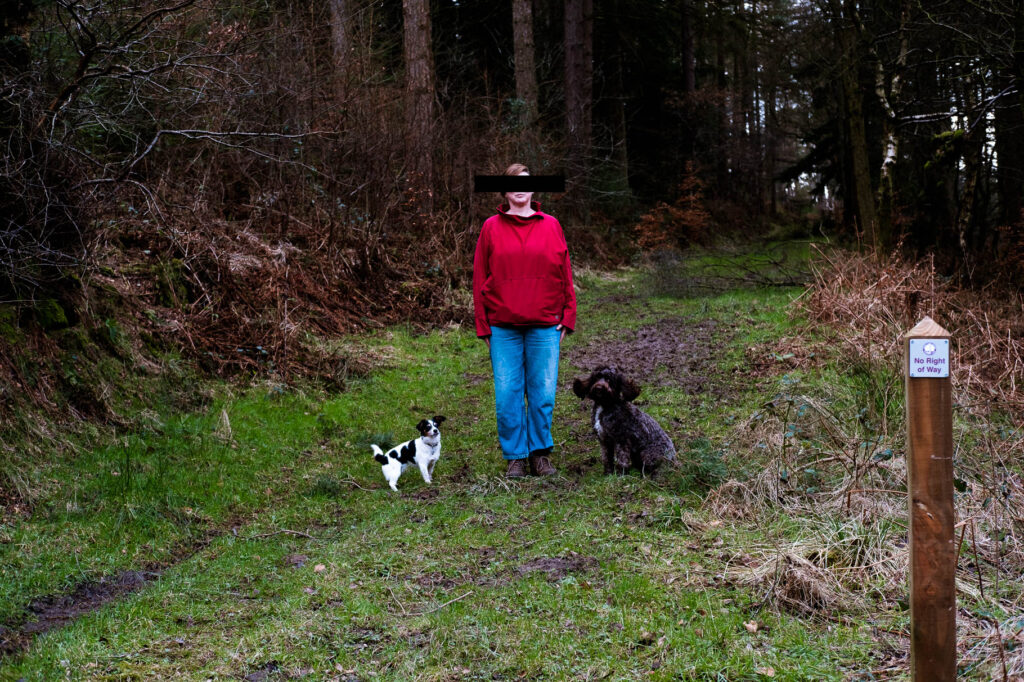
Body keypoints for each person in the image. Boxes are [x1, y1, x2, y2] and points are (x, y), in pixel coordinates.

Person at [472, 163, 577, 478]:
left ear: (535, 189)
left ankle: (539, 454)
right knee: (508, 395)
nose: (519, 189)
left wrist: (568, 315)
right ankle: (515, 455)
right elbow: (479, 278)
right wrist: (483, 324)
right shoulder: (490, 227)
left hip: (544, 325)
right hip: (503, 326)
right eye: (511, 184)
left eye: (525, 183)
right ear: (504, 191)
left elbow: (564, 272)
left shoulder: (551, 225)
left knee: (543, 394)